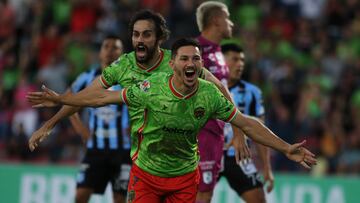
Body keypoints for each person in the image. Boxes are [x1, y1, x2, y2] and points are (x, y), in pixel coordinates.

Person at [27, 38, 317, 203]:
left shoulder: (209, 95)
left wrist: (285, 147)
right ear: (173, 63)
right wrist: (63, 101)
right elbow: (101, 98)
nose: (191, 63)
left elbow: (246, 123)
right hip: (146, 175)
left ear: (201, 65)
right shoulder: (150, 88)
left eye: (196, 59)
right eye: (184, 59)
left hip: (183, 177)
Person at [27, 9, 247, 164]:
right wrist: (50, 123)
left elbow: (220, 88)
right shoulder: (123, 65)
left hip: (182, 154)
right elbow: (87, 96)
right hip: (144, 158)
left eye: (147, 34)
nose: (140, 40)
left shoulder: (179, 62)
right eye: (136, 34)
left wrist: (238, 133)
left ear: (159, 37)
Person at [195, 2, 249, 202]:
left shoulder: (217, 51)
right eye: (227, 18)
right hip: (201, 133)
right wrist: (238, 129)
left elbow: (224, 93)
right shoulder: (196, 51)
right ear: (217, 20)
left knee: (204, 193)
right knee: (200, 193)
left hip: (216, 133)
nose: (231, 23)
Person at [70, 36, 131, 203]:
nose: (110, 51)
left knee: (120, 199)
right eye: (106, 47)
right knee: (80, 195)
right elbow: (68, 102)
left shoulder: (131, 79)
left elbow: (146, 105)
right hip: (95, 150)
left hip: (123, 150)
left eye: (115, 47)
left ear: (122, 53)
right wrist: (82, 131)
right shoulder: (87, 77)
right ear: (100, 53)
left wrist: (137, 127)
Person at [220, 43, 274, 203]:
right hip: (209, 153)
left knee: (258, 199)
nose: (240, 64)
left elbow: (260, 132)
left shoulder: (253, 92)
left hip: (238, 156)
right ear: (221, 60)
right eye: (235, 59)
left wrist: (267, 168)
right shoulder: (206, 87)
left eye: (242, 60)